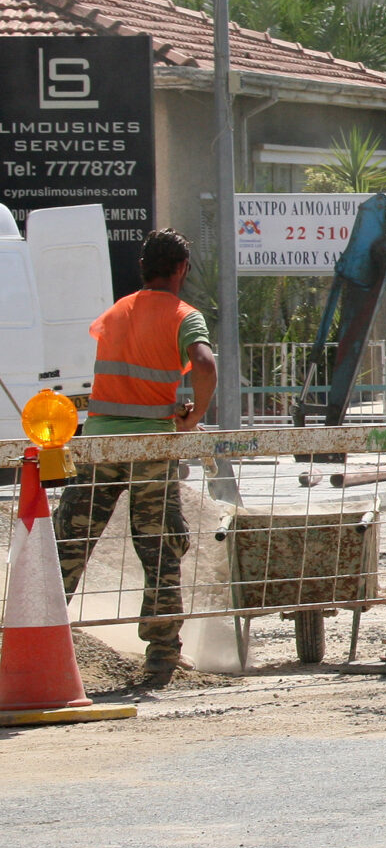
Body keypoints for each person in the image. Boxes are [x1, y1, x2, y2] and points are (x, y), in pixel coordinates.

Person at [53, 229, 216, 687]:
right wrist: (193, 415)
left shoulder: (114, 312)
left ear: (143, 268)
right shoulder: (185, 315)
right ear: (182, 269)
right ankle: (162, 654)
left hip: (101, 443)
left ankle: (29, 635)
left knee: (69, 541)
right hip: (149, 448)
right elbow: (203, 364)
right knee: (160, 545)